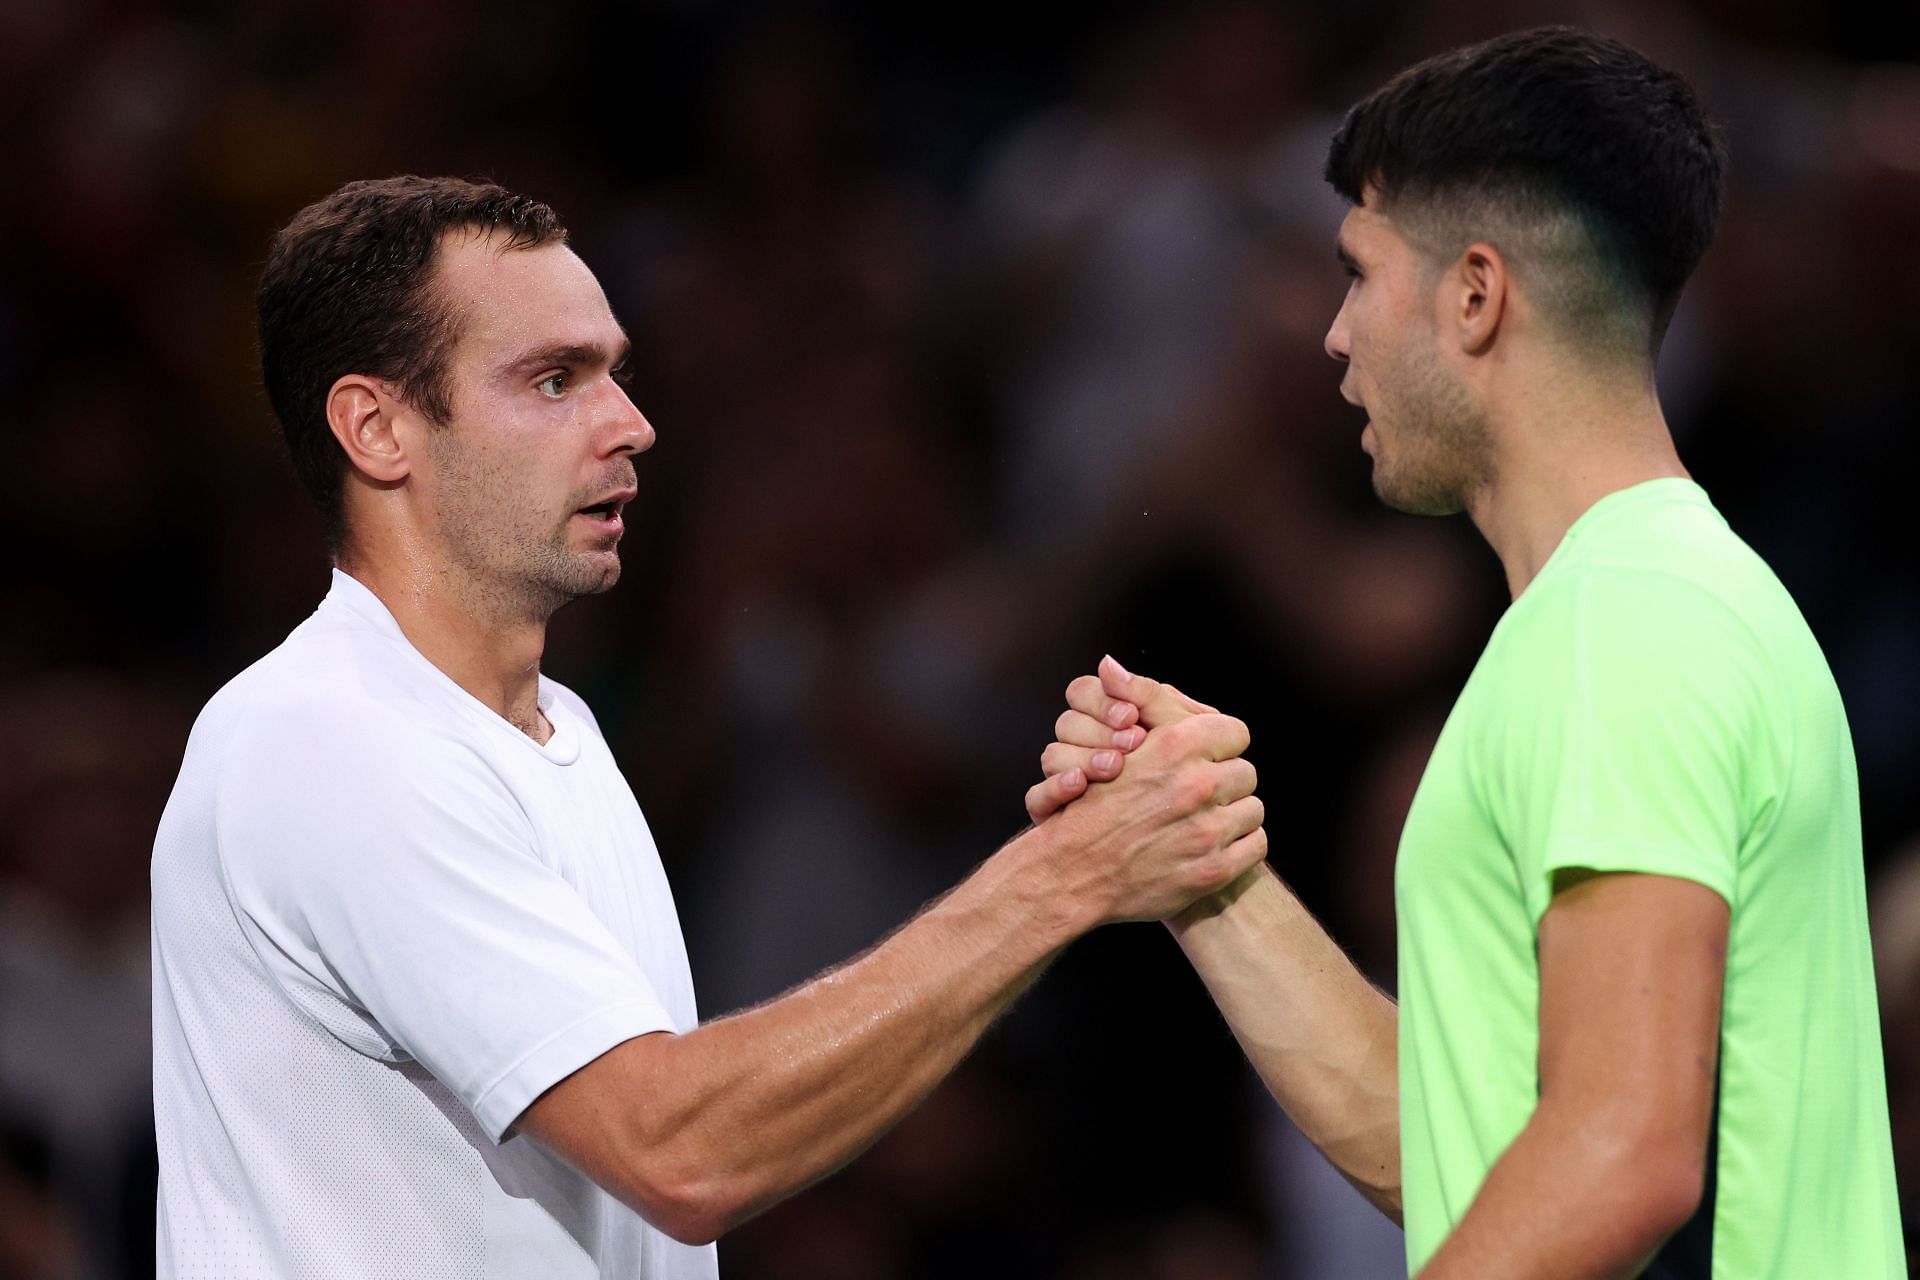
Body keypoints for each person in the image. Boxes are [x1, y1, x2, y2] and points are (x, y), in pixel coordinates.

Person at [149, 175, 1269, 1278]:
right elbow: (679, 1150)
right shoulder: (327, 740)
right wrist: (1068, 872)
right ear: (377, 426)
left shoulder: (558, 729)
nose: (630, 423)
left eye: (615, 374)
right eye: (553, 380)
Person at [1027, 26, 1903, 1280]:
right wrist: (1204, 872)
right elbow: (1482, 1169)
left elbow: (1624, 1152)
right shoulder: (1630, 605)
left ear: (1477, 294)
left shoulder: (1627, 623)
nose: (1332, 336)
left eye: (1358, 275)